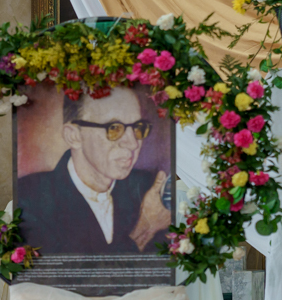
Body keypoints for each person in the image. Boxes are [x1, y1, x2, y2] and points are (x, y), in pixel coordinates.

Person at [18, 87, 171, 253]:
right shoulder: (28, 198)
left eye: (137, 127)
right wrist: (145, 229)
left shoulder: (151, 189)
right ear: (74, 136)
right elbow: (71, 277)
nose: (133, 144)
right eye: (114, 128)